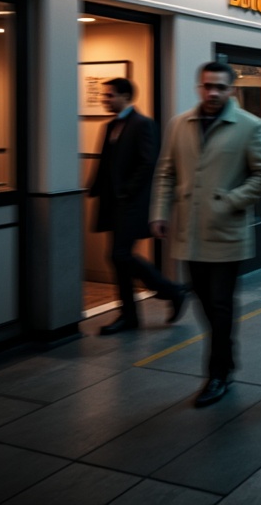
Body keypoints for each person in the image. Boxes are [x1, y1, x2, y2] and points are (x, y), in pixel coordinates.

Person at [150, 62, 261, 408]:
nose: (213, 92)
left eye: (220, 87)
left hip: (225, 232)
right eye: (207, 86)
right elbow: (166, 173)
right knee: (204, 302)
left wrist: (232, 201)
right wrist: (159, 213)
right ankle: (226, 361)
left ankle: (218, 372)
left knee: (219, 305)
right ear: (198, 87)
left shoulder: (251, 126)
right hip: (189, 232)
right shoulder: (179, 125)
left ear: (232, 89)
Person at [88, 77, 186, 335]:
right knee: (118, 258)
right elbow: (106, 162)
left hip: (132, 203)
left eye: (109, 95)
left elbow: (147, 163)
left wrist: (126, 191)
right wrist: (94, 188)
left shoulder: (143, 124)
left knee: (119, 255)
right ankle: (130, 314)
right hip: (113, 203)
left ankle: (171, 290)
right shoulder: (110, 125)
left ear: (125, 96)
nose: (104, 99)